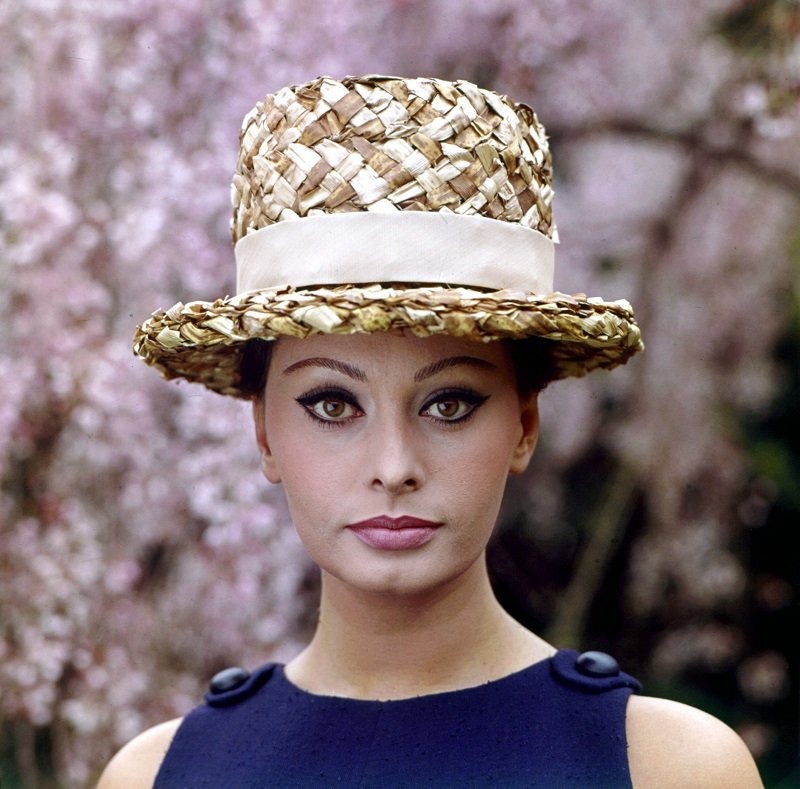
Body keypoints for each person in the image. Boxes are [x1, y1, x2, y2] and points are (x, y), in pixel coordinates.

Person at [98, 75, 763, 787]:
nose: (393, 464)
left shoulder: (672, 768)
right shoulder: (158, 774)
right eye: (331, 404)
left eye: (448, 404)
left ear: (524, 422)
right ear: (263, 433)